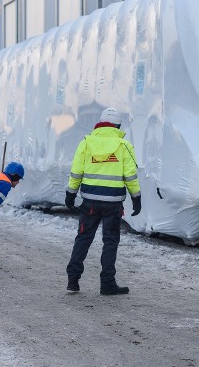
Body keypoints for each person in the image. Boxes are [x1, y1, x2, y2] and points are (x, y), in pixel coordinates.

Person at [65, 107, 141, 295]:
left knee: (83, 239)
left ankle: (73, 281)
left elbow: (76, 171)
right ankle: (107, 284)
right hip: (113, 204)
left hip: (89, 202)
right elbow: (130, 175)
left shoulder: (86, 143)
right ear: (117, 125)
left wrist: (71, 194)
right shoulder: (124, 146)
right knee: (110, 241)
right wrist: (136, 198)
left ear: (100, 124)